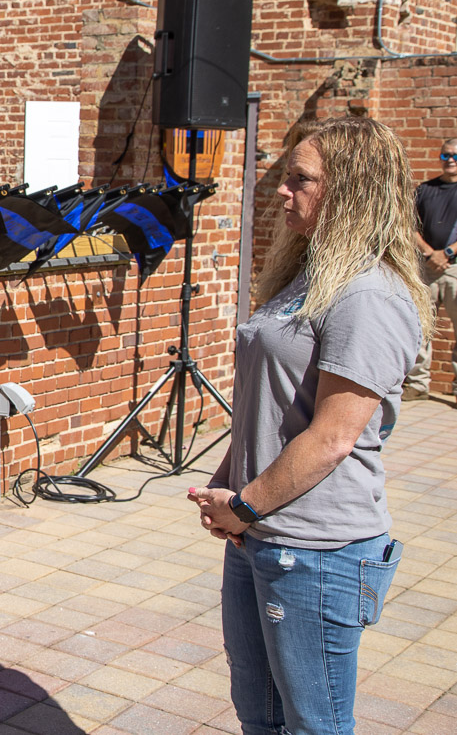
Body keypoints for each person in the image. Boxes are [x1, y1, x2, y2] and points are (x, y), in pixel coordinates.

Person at [189, 116, 431, 734]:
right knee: (261, 718)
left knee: (313, 726)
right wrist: (228, 490)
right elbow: (267, 404)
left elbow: (333, 438)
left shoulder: (368, 296)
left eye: (301, 179)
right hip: (260, 530)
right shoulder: (310, 276)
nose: (281, 189)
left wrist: (245, 505)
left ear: (350, 190)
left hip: (315, 550)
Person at [403, 137, 457, 401]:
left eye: (455, 156)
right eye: (446, 155)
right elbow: (409, 225)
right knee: (420, 327)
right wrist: (429, 252)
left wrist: (447, 253)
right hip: (426, 268)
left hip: (454, 268)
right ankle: (417, 385)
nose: (450, 160)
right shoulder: (425, 190)